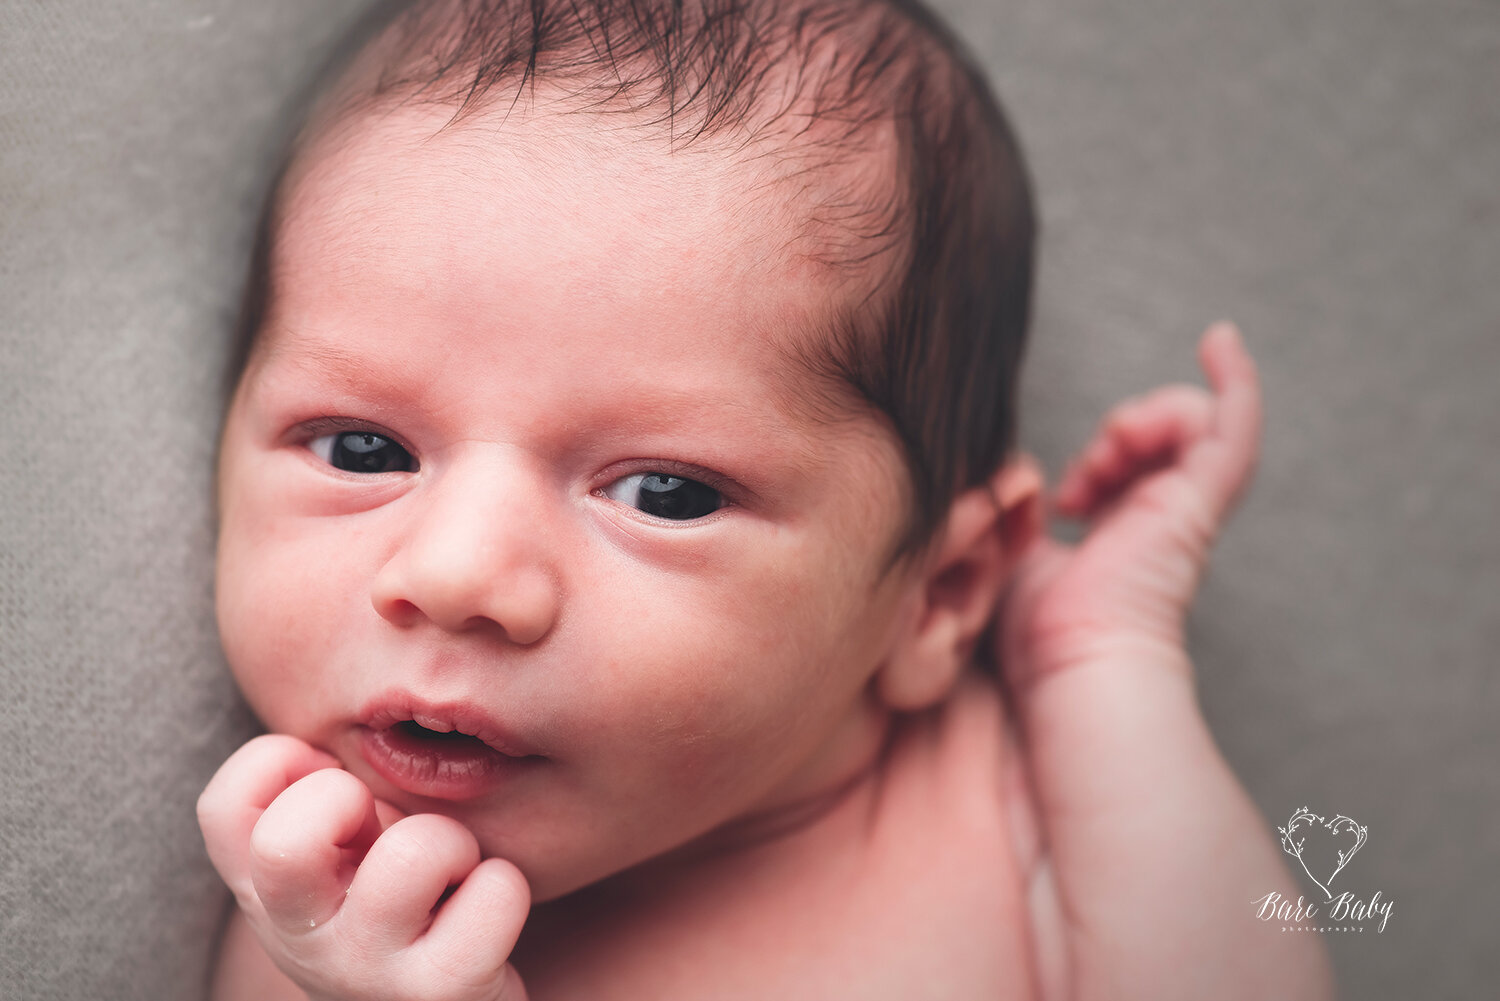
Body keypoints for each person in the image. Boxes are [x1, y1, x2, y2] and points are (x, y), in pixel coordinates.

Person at [196, 0, 1335, 997]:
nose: (454, 574)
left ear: (939, 593)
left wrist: (1102, 659)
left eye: (665, 491)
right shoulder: (328, 912)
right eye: (360, 447)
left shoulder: (1002, 809)